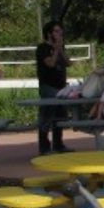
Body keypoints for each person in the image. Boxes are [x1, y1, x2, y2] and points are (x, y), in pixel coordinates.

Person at [36, 21, 72, 155]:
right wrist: (56, 50)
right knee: (46, 116)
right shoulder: (42, 48)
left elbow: (69, 63)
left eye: (60, 31)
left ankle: (58, 144)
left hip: (61, 87)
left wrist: (60, 49)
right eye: (56, 31)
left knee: (60, 117)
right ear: (49, 33)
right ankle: (44, 147)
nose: (60, 34)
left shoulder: (59, 48)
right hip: (48, 87)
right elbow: (50, 64)